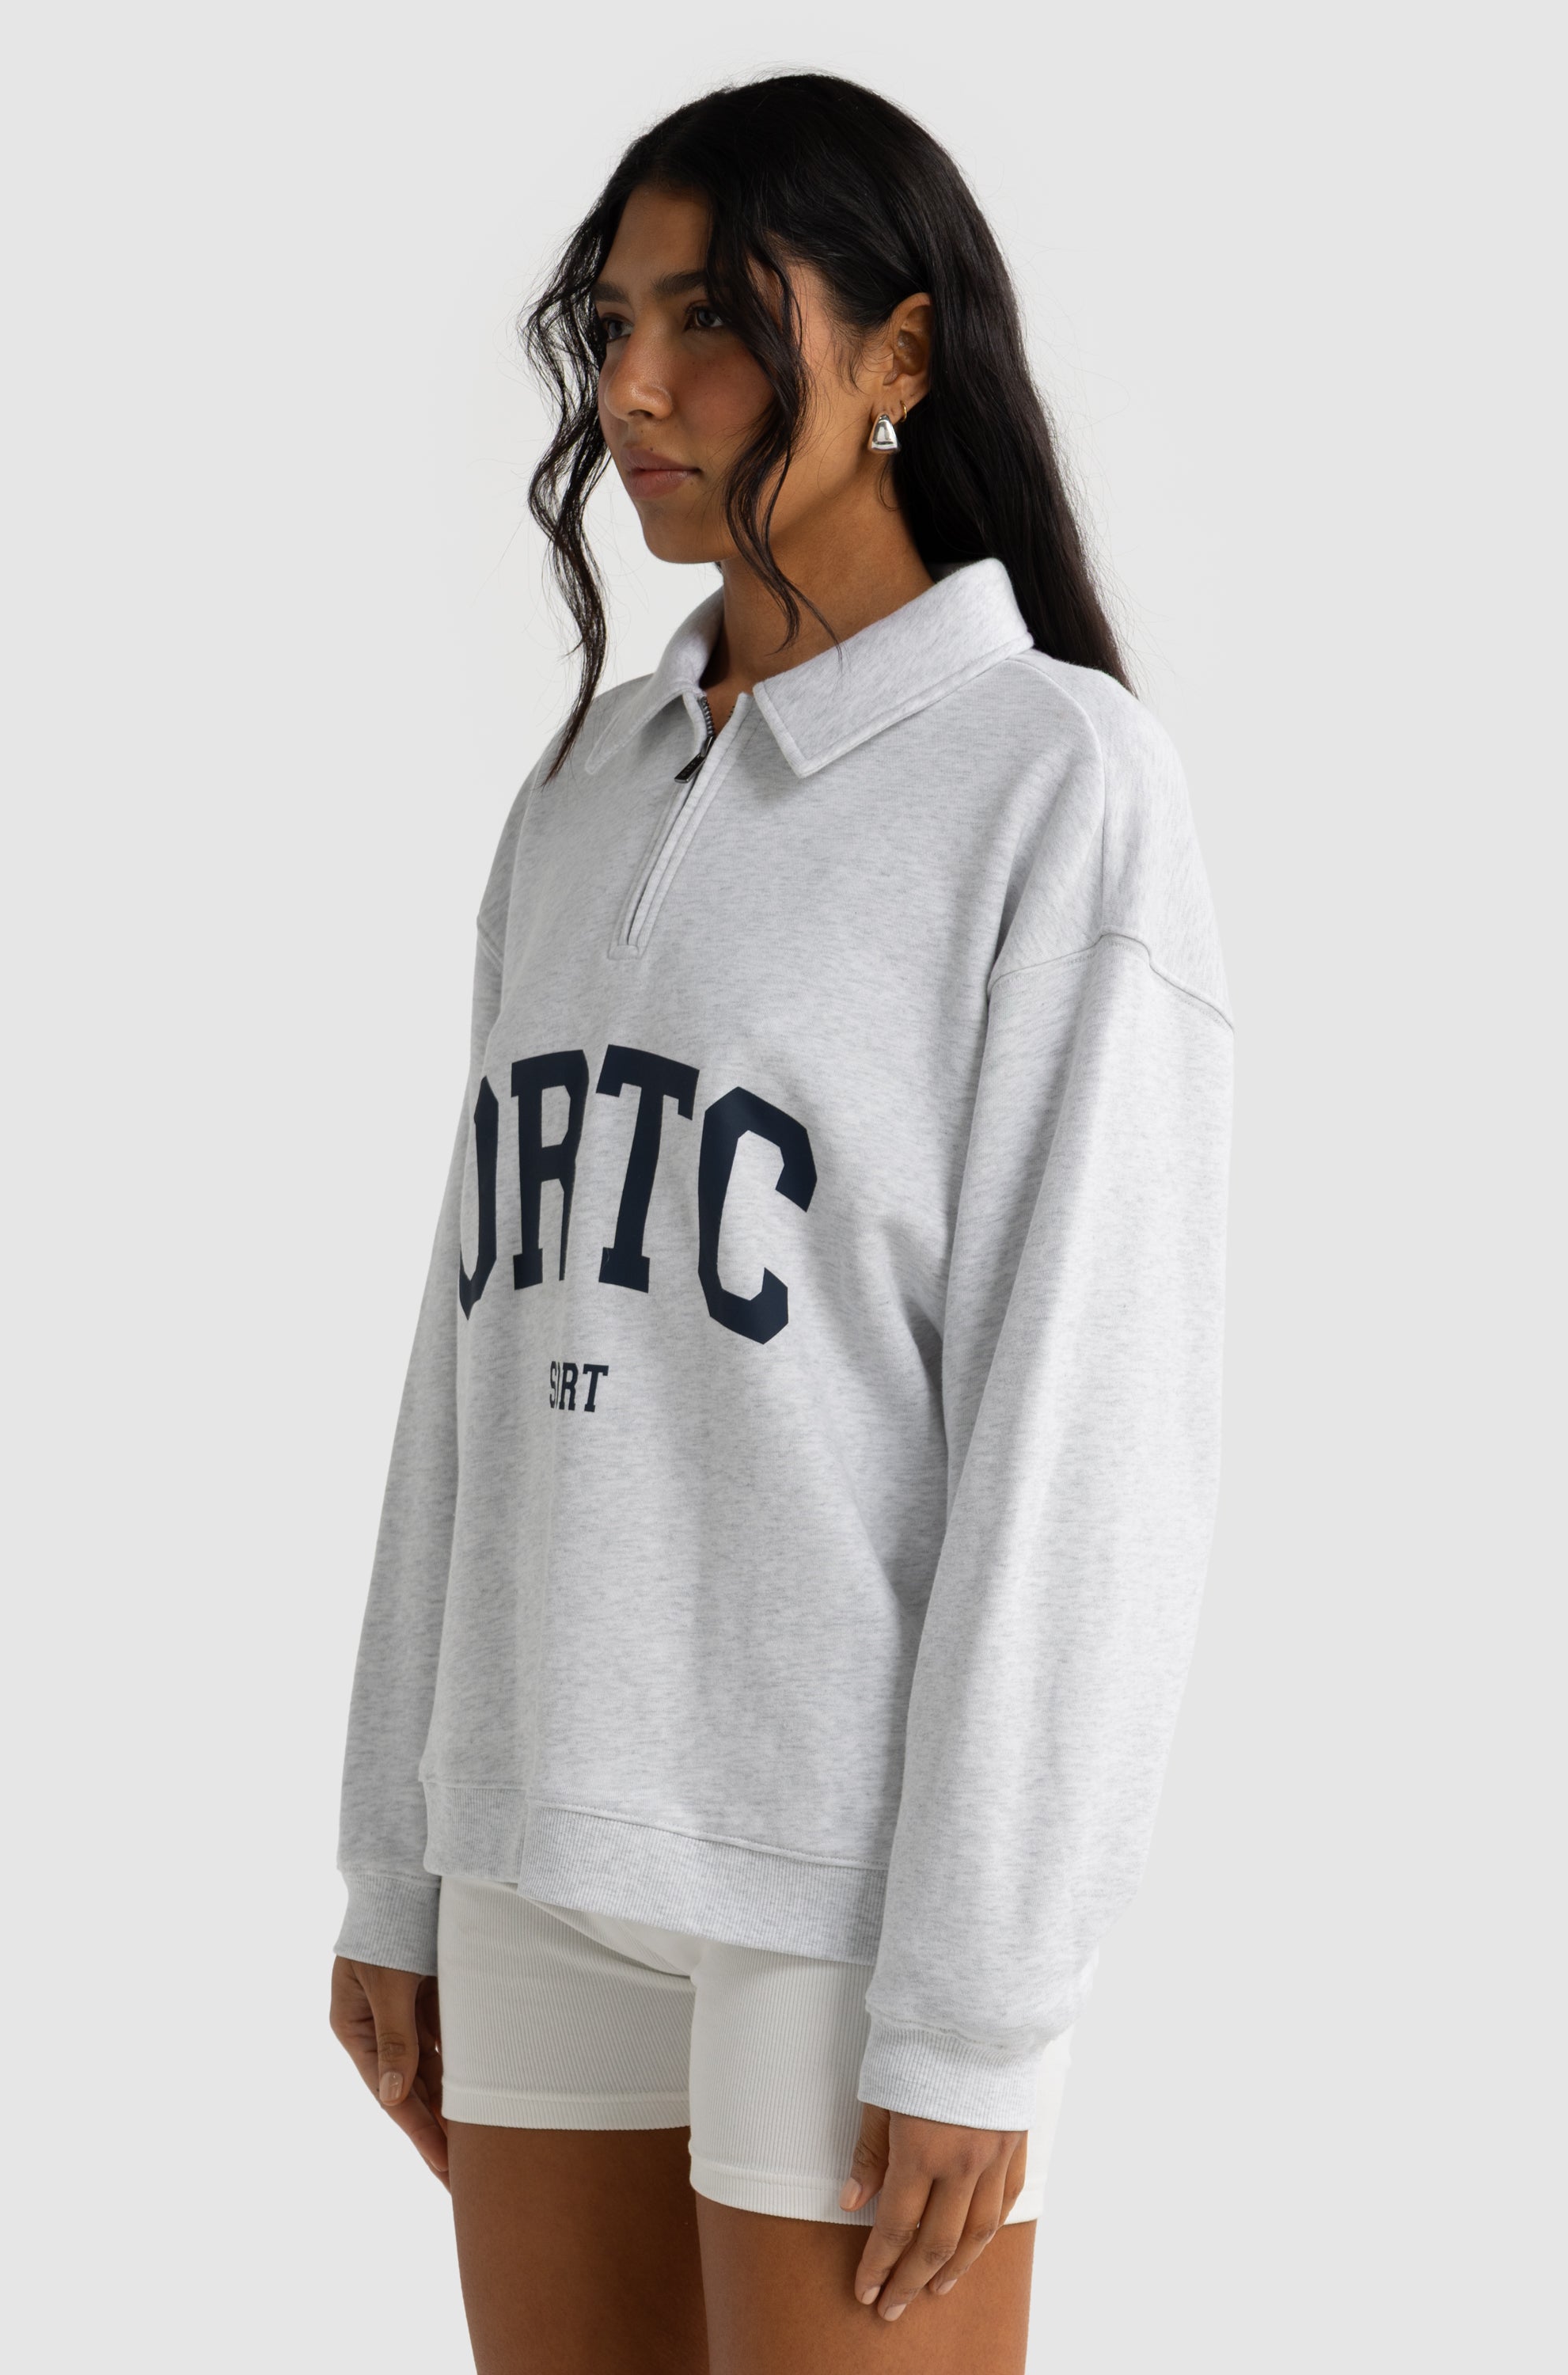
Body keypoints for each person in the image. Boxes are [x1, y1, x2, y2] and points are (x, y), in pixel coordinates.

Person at [329, 70, 1232, 2375]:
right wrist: (395, 1852)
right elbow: (467, 1344)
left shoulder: (1052, 784)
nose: (635, 389)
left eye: (714, 320)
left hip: (841, 1881)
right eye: (612, 325)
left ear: (901, 354)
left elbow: (1086, 1434)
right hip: (530, 1835)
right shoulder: (577, 793)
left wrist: (980, 2002)